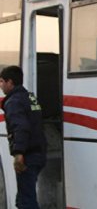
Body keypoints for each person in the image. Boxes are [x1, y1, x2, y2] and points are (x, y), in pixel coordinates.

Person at [0, 65, 47, 209]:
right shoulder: (30, 96)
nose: (1, 86)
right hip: (39, 152)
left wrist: (18, 153)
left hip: (28, 156)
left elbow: (20, 127)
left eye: (2, 81)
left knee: (26, 201)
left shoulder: (14, 101)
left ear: (10, 82)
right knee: (22, 199)